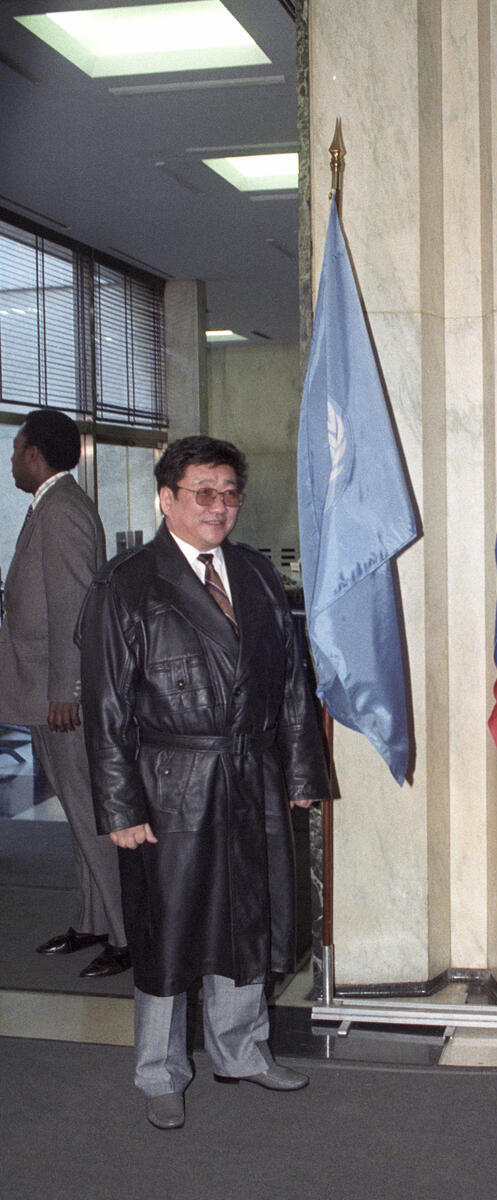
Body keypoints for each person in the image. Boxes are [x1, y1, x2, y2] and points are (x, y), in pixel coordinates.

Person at [77, 435, 329, 1130]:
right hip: (169, 784)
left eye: (229, 493)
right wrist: (120, 807)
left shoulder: (253, 573)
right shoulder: (127, 583)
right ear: (167, 499)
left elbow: (292, 684)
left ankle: (241, 1051)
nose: (219, 507)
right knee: (169, 930)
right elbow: (105, 708)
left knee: (246, 917)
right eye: (203, 493)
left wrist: (300, 769)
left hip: (250, 774)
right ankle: (159, 1071)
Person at [0, 408, 128, 977]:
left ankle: (125, 935)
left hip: (61, 700)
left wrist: (67, 690)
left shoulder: (63, 511)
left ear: (35, 455)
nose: (10, 460)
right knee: (79, 817)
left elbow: (74, 608)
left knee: (91, 815)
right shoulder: (49, 505)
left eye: (15, 449)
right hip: (44, 692)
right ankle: (93, 921)